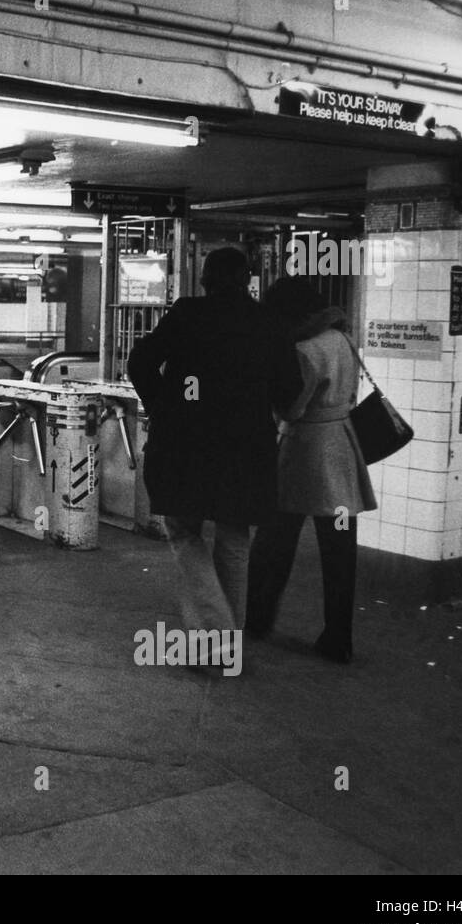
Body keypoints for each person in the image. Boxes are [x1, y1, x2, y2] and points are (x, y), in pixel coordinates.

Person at [128, 248, 301, 669]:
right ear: (248, 280)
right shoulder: (269, 324)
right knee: (234, 540)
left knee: (184, 532)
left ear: (204, 279)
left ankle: (217, 639)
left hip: (186, 443)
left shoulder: (188, 314)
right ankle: (227, 648)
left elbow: (140, 361)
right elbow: (290, 391)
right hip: (247, 448)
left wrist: (163, 405)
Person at [246, 278, 377, 663]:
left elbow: (293, 408)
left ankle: (257, 616)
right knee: (339, 551)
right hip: (342, 449)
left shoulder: (303, 350)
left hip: (305, 454)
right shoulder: (342, 340)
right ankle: (339, 638)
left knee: (275, 538)